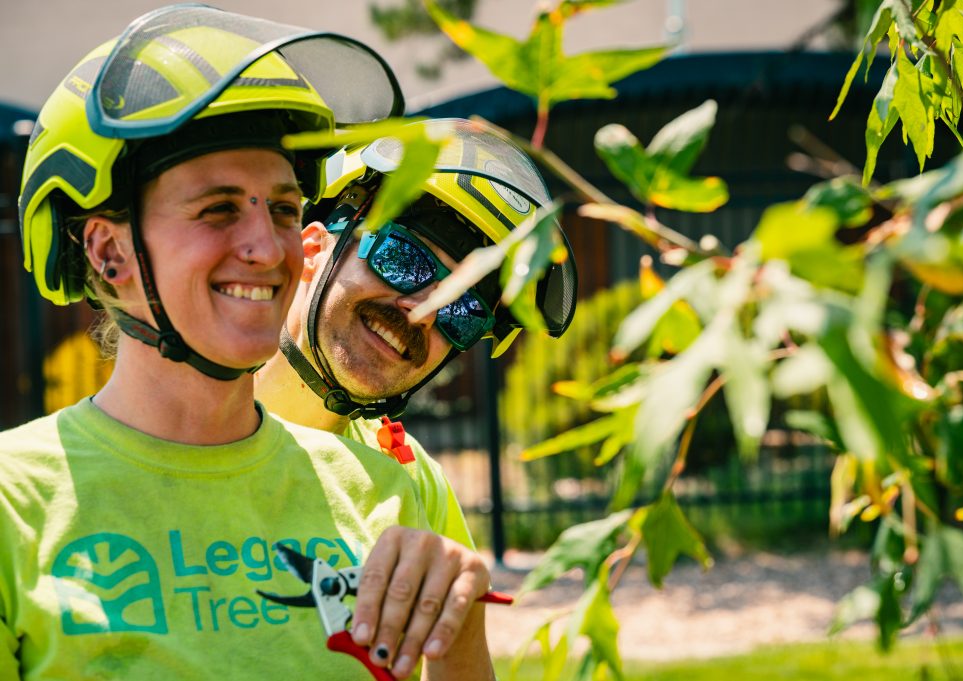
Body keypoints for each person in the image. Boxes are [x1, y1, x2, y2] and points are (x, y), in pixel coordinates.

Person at [0, 6, 494, 680]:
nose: (268, 249)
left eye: (286, 209)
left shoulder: (379, 490)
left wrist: (458, 631)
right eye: (218, 208)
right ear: (109, 251)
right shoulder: (14, 502)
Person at [254, 118, 579, 551]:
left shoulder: (413, 483)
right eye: (403, 259)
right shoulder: (158, 426)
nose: (423, 314)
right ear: (312, 250)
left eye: (462, 310)